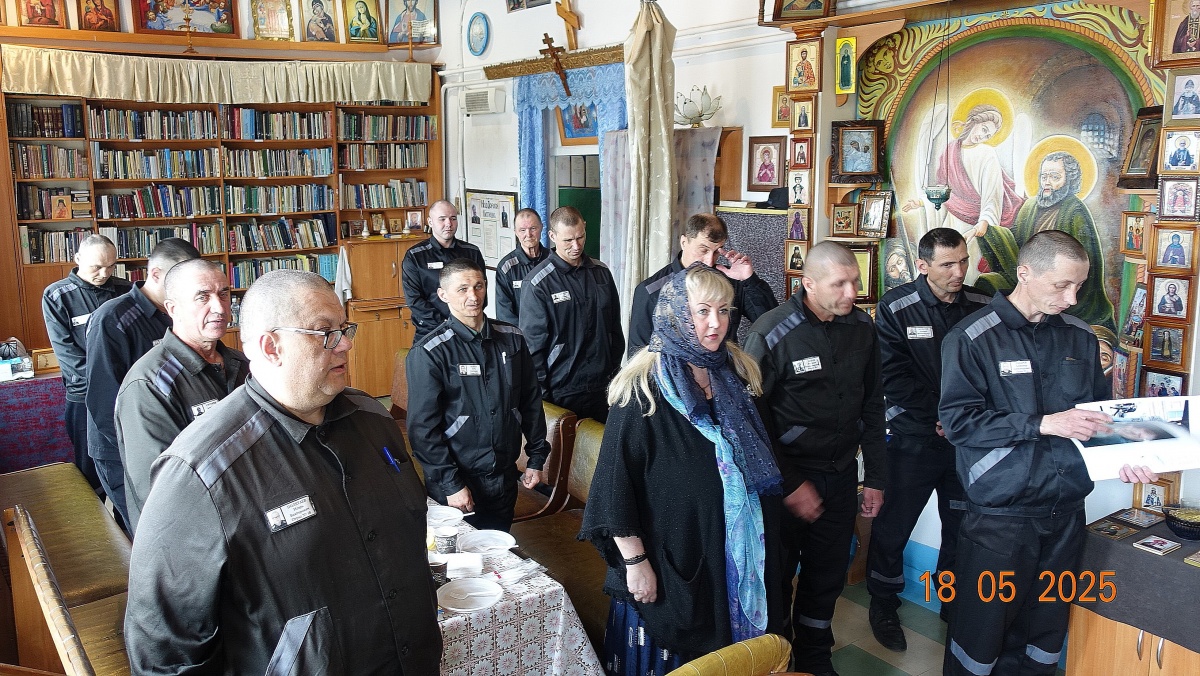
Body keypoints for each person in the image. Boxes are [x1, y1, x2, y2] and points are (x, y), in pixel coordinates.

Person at [125, 270, 441, 673]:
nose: (345, 344)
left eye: (344, 329)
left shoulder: (374, 419)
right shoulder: (201, 474)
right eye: (324, 332)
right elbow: (167, 655)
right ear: (271, 347)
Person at [940, 230, 1157, 676]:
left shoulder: (1080, 337)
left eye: (1079, 285)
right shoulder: (972, 338)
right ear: (1025, 273)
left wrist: (1125, 457)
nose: (1072, 298)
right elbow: (959, 423)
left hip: (1065, 513)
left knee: (1046, 631)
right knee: (983, 633)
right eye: (1062, 285)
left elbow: (1099, 419)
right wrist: (1042, 423)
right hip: (1001, 518)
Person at [580, 265, 785, 672]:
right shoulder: (642, 389)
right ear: (675, 314)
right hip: (672, 562)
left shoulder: (737, 374)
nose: (716, 323)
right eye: (702, 311)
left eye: (724, 310)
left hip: (735, 555)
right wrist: (636, 564)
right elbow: (614, 488)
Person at [744, 241, 887, 675]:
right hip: (784, 482)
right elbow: (751, 422)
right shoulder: (771, 332)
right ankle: (779, 660)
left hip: (840, 476)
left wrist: (875, 477)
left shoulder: (862, 328)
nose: (852, 293)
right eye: (840, 284)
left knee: (827, 576)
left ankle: (815, 657)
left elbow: (872, 406)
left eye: (855, 282)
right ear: (808, 283)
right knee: (776, 578)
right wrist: (791, 484)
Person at [864, 229, 991, 652]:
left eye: (963, 261)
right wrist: (940, 416)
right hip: (913, 440)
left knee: (960, 527)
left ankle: (951, 602)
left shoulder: (982, 304)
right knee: (894, 526)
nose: (959, 271)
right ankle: (883, 603)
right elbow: (892, 376)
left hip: (963, 443)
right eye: (947, 264)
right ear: (922, 266)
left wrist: (959, 420)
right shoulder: (896, 306)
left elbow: (988, 373)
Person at [406, 259, 548, 532]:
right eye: (463, 289)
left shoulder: (513, 338)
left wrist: (536, 458)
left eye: (479, 286)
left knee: (498, 550)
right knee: (458, 555)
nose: (473, 296)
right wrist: (451, 484)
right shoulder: (429, 352)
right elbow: (422, 430)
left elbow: (531, 402)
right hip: (458, 482)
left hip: (504, 478)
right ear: (443, 295)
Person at [114, 260, 248, 534]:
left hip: (248, 520)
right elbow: (163, 489)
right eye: (202, 297)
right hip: (193, 535)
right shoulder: (148, 384)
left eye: (223, 293)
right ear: (172, 309)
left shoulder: (244, 364)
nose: (219, 307)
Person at [85, 238, 199, 531]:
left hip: (171, 440)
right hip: (123, 449)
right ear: (157, 274)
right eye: (180, 278)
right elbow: (102, 400)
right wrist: (133, 452)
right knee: (147, 529)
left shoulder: (178, 312)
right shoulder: (112, 319)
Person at [977, 151, 1116, 332]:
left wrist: (1062, 282)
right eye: (1044, 177)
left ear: (1069, 179)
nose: (1047, 182)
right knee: (989, 282)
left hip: (1062, 281)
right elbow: (1015, 246)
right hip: (1032, 276)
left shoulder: (1075, 212)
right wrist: (991, 232)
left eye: (1055, 177)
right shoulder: (1029, 207)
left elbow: (1083, 262)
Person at [42, 235, 131, 495]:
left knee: (128, 466)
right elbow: (67, 354)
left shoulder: (125, 290)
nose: (104, 274)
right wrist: (105, 382)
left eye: (111, 266)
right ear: (78, 259)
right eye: (97, 267)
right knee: (90, 469)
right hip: (84, 396)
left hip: (126, 391)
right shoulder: (57, 295)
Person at [518, 206, 623, 423]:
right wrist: (543, 398)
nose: (576, 246)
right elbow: (532, 349)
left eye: (580, 237)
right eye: (568, 240)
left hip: (603, 386)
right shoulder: (538, 283)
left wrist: (614, 374)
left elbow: (615, 330)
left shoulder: (601, 273)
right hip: (562, 391)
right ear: (552, 236)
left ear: (584, 227)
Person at [904, 104, 1026, 285]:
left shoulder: (987, 154)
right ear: (974, 122)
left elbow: (992, 195)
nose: (982, 136)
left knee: (968, 272)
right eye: (983, 130)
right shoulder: (951, 150)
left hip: (975, 226)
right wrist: (922, 202)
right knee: (943, 267)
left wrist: (983, 223)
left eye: (988, 135)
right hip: (952, 221)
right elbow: (945, 192)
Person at [627, 213, 776, 357]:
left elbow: (772, 324)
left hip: (725, 369)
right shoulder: (652, 291)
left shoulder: (729, 281)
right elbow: (638, 357)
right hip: (672, 372)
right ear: (684, 242)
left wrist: (749, 280)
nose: (709, 261)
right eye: (703, 250)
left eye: (716, 252)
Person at [402, 199, 486, 342]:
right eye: (442, 219)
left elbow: (481, 290)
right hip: (430, 331)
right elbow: (414, 300)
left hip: (469, 329)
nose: (449, 224)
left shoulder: (472, 252)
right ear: (430, 222)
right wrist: (446, 324)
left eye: (453, 218)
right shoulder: (415, 256)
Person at [495, 209, 550, 324]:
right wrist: (525, 333)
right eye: (522, 230)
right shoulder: (506, 267)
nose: (528, 235)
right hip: (521, 333)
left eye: (533, 228)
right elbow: (504, 314)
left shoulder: (553, 260)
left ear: (541, 227)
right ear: (515, 232)